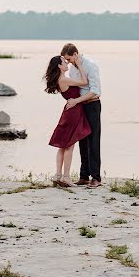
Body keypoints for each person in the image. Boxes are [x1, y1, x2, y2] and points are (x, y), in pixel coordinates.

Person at [44, 55, 91, 187]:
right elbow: (84, 81)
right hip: (73, 112)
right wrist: (80, 65)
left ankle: (58, 175)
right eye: (64, 62)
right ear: (59, 66)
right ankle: (66, 177)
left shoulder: (61, 79)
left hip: (69, 111)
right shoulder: (64, 79)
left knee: (63, 145)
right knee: (69, 145)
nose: (67, 64)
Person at [61, 43, 102, 188]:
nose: (68, 62)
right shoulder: (72, 69)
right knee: (81, 140)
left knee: (93, 140)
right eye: (66, 60)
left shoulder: (91, 65)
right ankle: (84, 176)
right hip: (79, 107)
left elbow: (95, 91)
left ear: (76, 54)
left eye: (69, 59)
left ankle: (96, 178)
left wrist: (76, 101)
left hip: (92, 105)